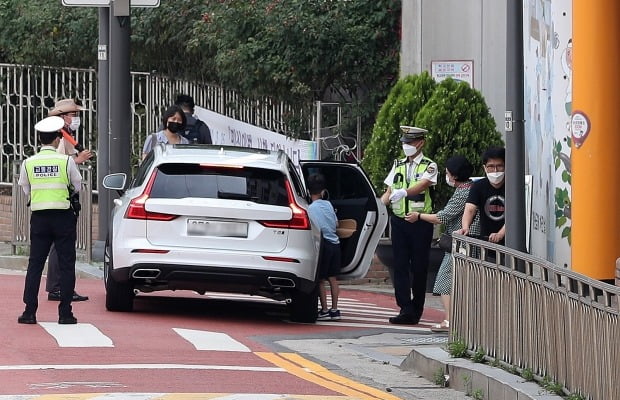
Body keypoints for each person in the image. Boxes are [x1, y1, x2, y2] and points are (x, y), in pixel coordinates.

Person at [17, 116, 82, 324]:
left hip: (39, 218)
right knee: (66, 265)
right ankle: (65, 313)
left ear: (39, 140)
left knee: (35, 264)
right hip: (63, 217)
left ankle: (29, 312)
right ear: (57, 139)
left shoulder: (28, 163)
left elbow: (26, 188)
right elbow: (77, 185)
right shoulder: (66, 161)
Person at [408, 155, 480, 332]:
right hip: (472, 242)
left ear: (454, 175)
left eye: (447, 173)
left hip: (460, 243)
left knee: (444, 281)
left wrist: (419, 216)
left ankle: (450, 320)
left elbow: (443, 217)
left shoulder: (463, 192)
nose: (446, 176)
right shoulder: (473, 187)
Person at [381, 126, 438, 325]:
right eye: (404, 142)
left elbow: (423, 185)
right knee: (400, 265)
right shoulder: (398, 164)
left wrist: (404, 192)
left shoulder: (429, 165)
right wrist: (378, 207)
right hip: (399, 221)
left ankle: (417, 308)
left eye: (410, 143)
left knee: (420, 267)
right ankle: (405, 307)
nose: (406, 146)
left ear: (420, 143)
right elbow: (389, 191)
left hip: (420, 222)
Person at [46, 98, 93, 302]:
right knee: (62, 245)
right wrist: (78, 159)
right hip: (61, 196)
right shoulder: (58, 137)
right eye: (73, 114)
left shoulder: (66, 135)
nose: (76, 118)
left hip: (62, 195)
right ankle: (59, 287)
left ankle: (60, 286)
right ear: (62, 116)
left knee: (61, 245)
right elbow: (58, 163)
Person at [306, 174, 341, 321]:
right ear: (323, 192)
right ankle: (335, 310)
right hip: (336, 243)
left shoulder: (310, 209)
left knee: (320, 279)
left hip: (324, 244)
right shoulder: (328, 205)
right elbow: (337, 224)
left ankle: (324, 310)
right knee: (333, 278)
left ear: (308, 192)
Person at [456, 147, 506, 247]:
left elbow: (514, 216)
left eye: (499, 166)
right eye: (491, 166)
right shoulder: (478, 186)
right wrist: (465, 227)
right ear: (484, 168)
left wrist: (500, 234)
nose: (495, 170)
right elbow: (470, 209)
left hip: (511, 245)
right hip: (486, 242)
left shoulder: (513, 187)